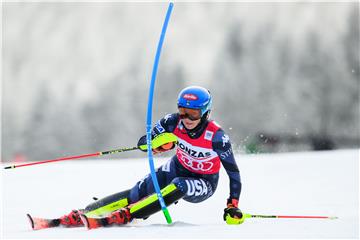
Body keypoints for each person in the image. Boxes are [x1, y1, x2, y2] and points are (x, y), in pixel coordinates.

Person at [55, 86, 244, 228]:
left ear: (205, 113)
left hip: (204, 182)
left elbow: (234, 173)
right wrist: (155, 144)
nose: (186, 118)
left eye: (193, 114)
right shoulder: (171, 122)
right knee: (137, 193)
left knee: (180, 184)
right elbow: (144, 142)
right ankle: (85, 213)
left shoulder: (218, 138)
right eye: (182, 111)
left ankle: (127, 215)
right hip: (177, 167)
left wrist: (232, 205)